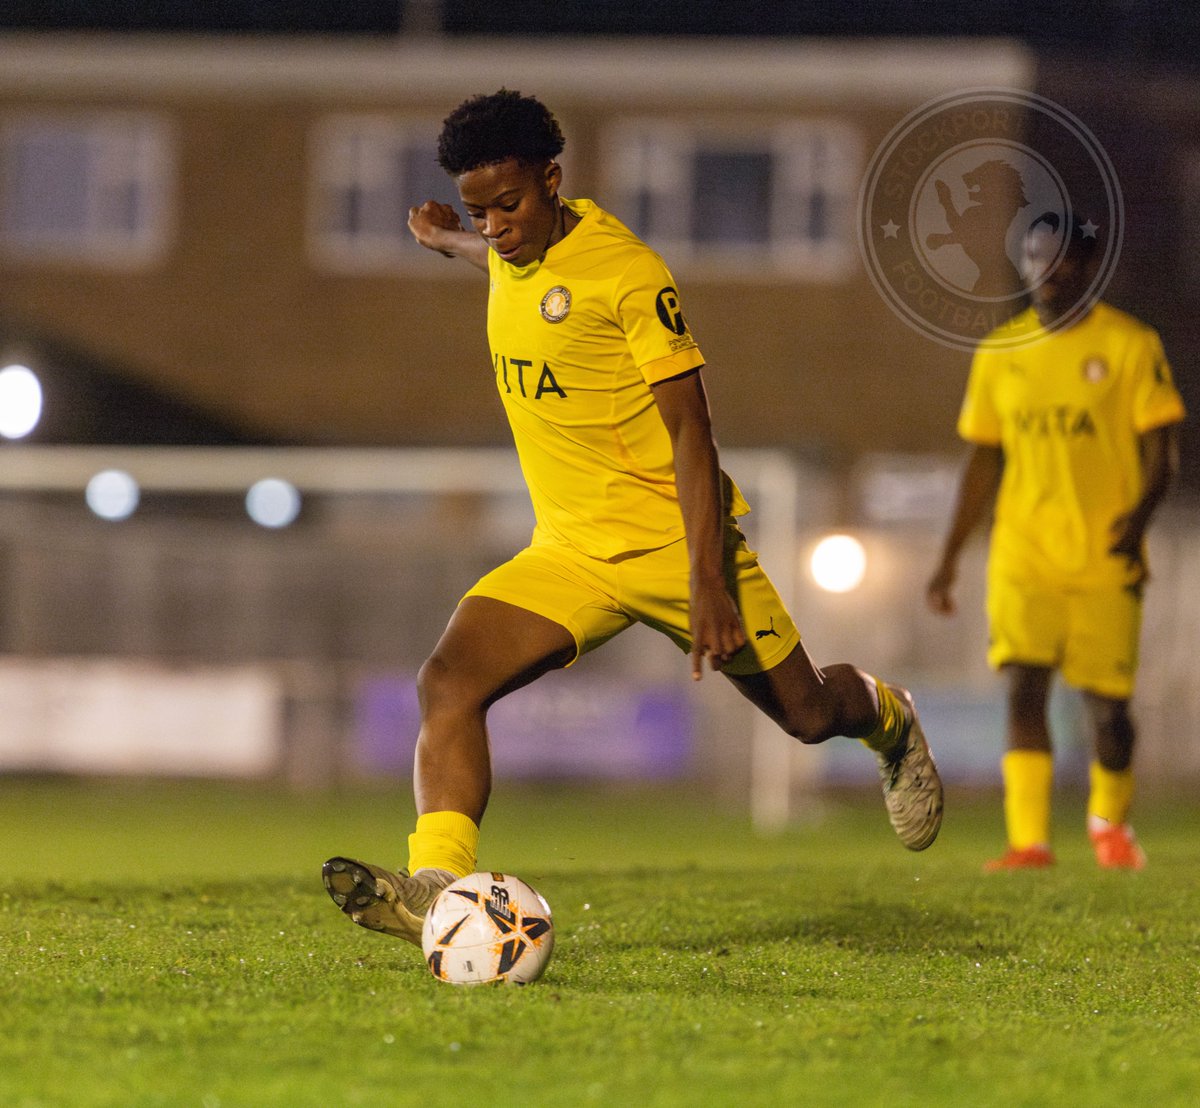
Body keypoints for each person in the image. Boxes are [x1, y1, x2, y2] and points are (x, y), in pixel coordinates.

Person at [323, 90, 942, 946]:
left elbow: (694, 432)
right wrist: (447, 240)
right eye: (480, 212)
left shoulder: (629, 273)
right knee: (448, 682)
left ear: (553, 179)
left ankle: (885, 713)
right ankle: (440, 881)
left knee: (804, 717)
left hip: (675, 542)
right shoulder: (512, 245)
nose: (497, 228)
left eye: (508, 206)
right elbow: (509, 268)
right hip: (570, 551)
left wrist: (706, 579)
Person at [927, 214, 1185, 871]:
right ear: (1025, 265)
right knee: (1023, 688)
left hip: (1105, 550)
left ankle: (1109, 827)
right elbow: (983, 460)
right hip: (1024, 552)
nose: (1050, 272)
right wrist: (950, 558)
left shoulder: (1129, 345)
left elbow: (1164, 450)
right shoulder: (1000, 353)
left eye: (1064, 260)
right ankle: (1030, 842)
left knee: (1107, 709)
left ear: (1090, 267)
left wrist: (1138, 519)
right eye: (1038, 259)